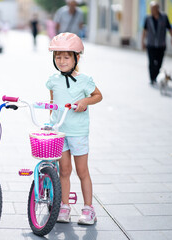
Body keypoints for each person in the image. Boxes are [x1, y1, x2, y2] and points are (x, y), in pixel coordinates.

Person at [46, 32, 102, 225]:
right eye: (58, 57)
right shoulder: (53, 80)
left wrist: (86, 101)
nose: (62, 61)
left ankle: (88, 208)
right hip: (60, 132)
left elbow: (97, 96)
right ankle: (64, 206)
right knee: (64, 170)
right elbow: (53, 103)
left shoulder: (85, 79)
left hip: (78, 132)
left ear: (76, 57)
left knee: (82, 171)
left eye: (66, 56)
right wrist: (50, 124)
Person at [141, 1, 172, 85]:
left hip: (161, 45)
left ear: (157, 9)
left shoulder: (164, 17)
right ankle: (152, 78)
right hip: (151, 45)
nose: (151, 10)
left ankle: (156, 76)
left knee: (159, 63)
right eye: (151, 9)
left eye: (153, 9)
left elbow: (169, 28)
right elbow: (144, 31)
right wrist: (143, 42)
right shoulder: (148, 18)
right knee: (151, 62)